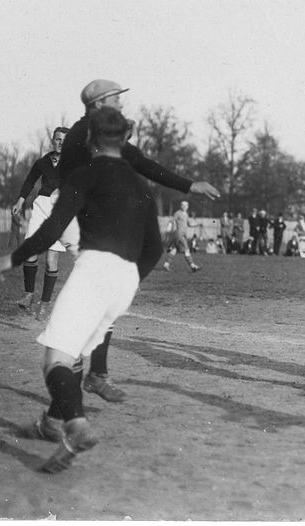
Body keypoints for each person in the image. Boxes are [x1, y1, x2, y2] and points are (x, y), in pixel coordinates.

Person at [0, 106, 162, 473]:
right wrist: (129, 279)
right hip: (126, 280)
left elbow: (52, 230)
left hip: (95, 272)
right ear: (125, 139)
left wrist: (13, 259)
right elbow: (155, 249)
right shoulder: (142, 186)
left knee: (55, 359)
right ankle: (52, 424)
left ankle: (77, 426)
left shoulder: (85, 174)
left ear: (89, 138)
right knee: (75, 354)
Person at [57, 79, 221, 404]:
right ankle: (70, 391)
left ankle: (94, 372)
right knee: (92, 301)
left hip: (94, 219)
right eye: (116, 99)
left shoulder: (100, 131)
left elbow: (141, 163)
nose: (121, 104)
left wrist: (189, 185)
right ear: (98, 103)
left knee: (143, 257)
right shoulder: (82, 133)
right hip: (76, 220)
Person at [12, 127, 75, 317]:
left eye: (64, 140)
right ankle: (28, 295)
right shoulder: (42, 162)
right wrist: (20, 201)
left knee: (51, 259)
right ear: (52, 140)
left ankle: (45, 304)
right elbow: (30, 181)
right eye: (58, 139)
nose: (60, 143)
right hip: (41, 206)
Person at [163, 200, 200, 272]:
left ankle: (166, 264)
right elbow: (172, 221)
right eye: (183, 205)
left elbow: (189, 224)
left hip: (182, 234)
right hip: (179, 234)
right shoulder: (177, 213)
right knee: (187, 250)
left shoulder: (186, 214)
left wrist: (197, 224)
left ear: (188, 206)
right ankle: (193, 266)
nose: (184, 206)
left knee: (174, 250)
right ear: (181, 206)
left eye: (186, 205)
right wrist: (168, 230)